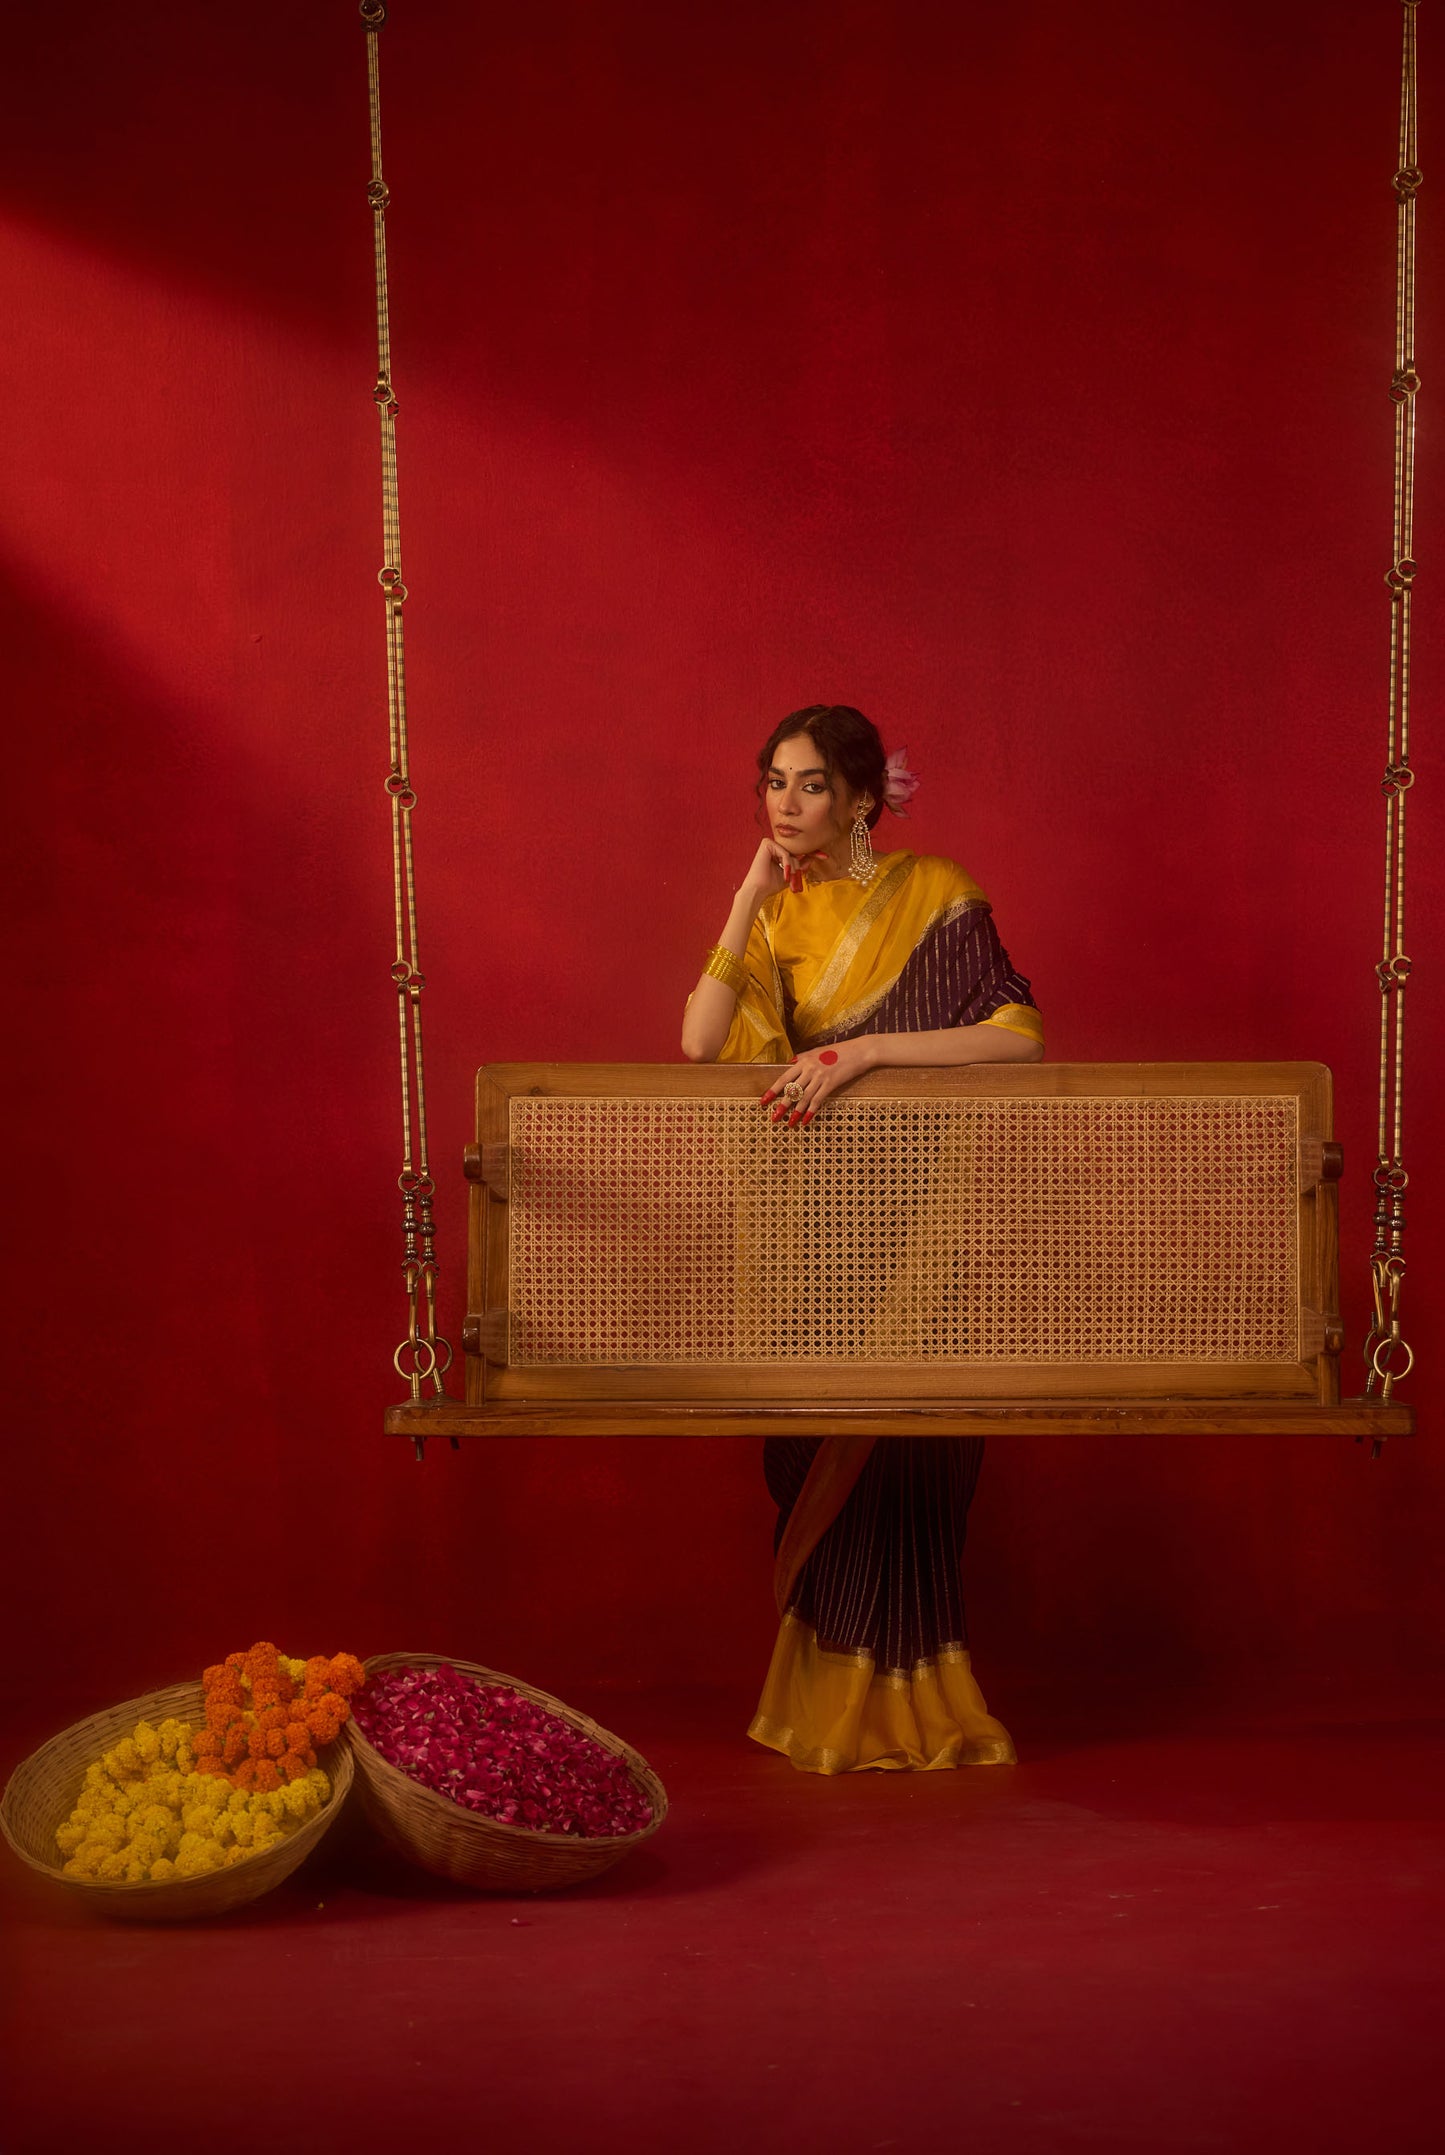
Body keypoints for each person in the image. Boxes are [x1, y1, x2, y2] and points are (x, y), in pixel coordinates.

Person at [682, 704, 1043, 1775]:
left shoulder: (937, 893)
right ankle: (821, 1696)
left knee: (909, 1462)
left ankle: (910, 1702)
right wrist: (747, 896)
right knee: (808, 1455)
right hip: (813, 1239)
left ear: (858, 802)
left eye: (805, 786)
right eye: (771, 785)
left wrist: (863, 1054)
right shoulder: (776, 918)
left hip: (928, 1227)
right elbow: (701, 1041)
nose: (781, 806)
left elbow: (1014, 1040)